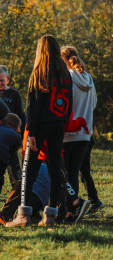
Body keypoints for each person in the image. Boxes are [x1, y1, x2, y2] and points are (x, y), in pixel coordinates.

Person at [11, 35, 73, 227]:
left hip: (40, 126)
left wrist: (32, 132)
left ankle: (23, 215)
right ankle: (51, 215)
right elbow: (70, 103)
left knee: (29, 170)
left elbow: (33, 107)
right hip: (58, 124)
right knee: (55, 170)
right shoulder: (65, 74)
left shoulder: (39, 72)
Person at [61, 46, 98, 222]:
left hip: (68, 132)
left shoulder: (67, 78)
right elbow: (94, 103)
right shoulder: (89, 78)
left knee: (63, 172)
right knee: (74, 172)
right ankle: (73, 211)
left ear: (65, 60)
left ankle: (71, 206)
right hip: (85, 133)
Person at [0, 65, 26, 188]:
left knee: (13, 165)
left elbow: (21, 115)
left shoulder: (14, 94)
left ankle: (17, 191)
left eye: (1, 80)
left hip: (11, 135)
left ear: (8, 79)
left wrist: (22, 135)